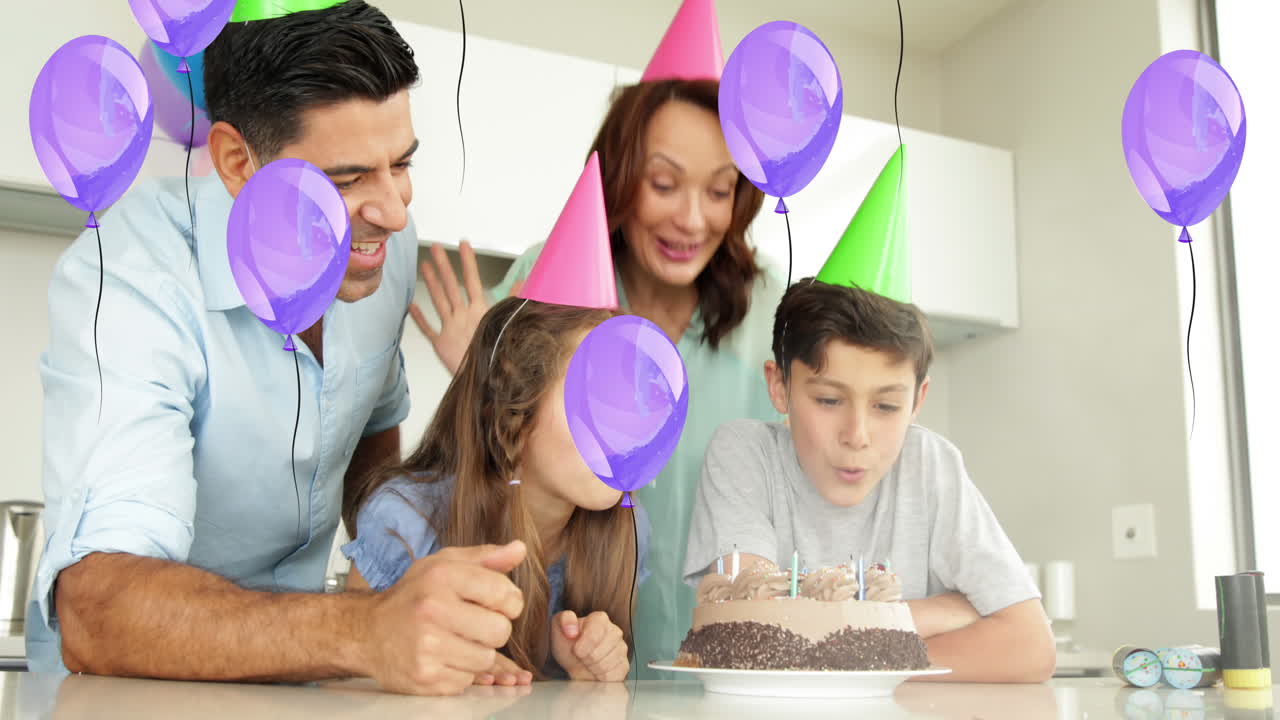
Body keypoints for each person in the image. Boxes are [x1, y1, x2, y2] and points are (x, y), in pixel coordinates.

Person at [31, 1, 525, 696]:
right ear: (238, 162)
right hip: (130, 697)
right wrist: (366, 628)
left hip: (298, 685)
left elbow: (368, 470)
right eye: (348, 179)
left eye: (402, 164)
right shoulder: (131, 278)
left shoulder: (384, 253)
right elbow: (97, 610)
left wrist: (435, 614)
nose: (394, 210)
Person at [409, 0, 782, 673]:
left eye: (720, 191)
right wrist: (478, 370)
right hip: (563, 666)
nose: (692, 219)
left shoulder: (769, 317)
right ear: (620, 175)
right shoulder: (545, 278)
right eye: (664, 183)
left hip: (725, 668)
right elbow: (489, 456)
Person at [685, 279, 1056, 683]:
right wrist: (942, 611)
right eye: (829, 400)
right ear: (779, 386)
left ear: (918, 400)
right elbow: (752, 634)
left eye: (886, 406)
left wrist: (843, 652)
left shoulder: (929, 462)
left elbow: (1031, 646)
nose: (857, 435)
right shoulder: (745, 453)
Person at [344, 298, 649, 683]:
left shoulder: (629, 527)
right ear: (513, 415)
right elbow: (346, 683)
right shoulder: (406, 521)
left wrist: (590, 677)